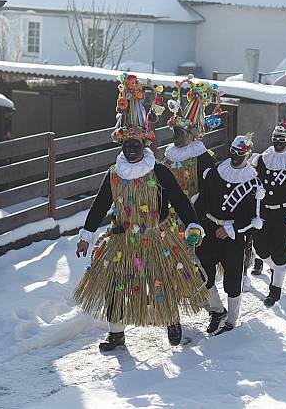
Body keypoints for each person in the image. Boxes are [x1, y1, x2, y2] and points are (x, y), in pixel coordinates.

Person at [74, 74, 208, 350]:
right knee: (116, 287)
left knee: (162, 282)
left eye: (137, 145)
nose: (132, 149)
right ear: (122, 146)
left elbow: (180, 201)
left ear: (145, 145)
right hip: (122, 240)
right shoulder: (115, 174)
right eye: (128, 145)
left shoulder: (159, 171)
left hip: (156, 238)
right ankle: (116, 334)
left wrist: (193, 225)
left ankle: (171, 322)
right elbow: (100, 205)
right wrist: (86, 235)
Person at [195, 134, 264, 335]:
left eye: (240, 154)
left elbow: (257, 219)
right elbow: (203, 201)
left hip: (233, 237)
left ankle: (231, 321)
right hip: (209, 229)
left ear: (248, 155)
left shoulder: (254, 183)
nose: (235, 156)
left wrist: (232, 229)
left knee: (233, 279)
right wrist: (196, 225)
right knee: (203, 272)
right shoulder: (217, 171)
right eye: (233, 152)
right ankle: (217, 310)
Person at [252, 123, 286, 306]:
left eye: (282, 139)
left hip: (284, 214)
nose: (278, 142)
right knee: (260, 249)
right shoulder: (263, 159)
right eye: (275, 139)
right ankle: (276, 268)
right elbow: (256, 184)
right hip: (266, 212)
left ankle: (275, 291)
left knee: (280, 253)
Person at [163, 77, 220, 202]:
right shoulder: (169, 156)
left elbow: (210, 189)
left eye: (178, 133)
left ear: (190, 135)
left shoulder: (203, 158)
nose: (174, 138)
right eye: (174, 133)